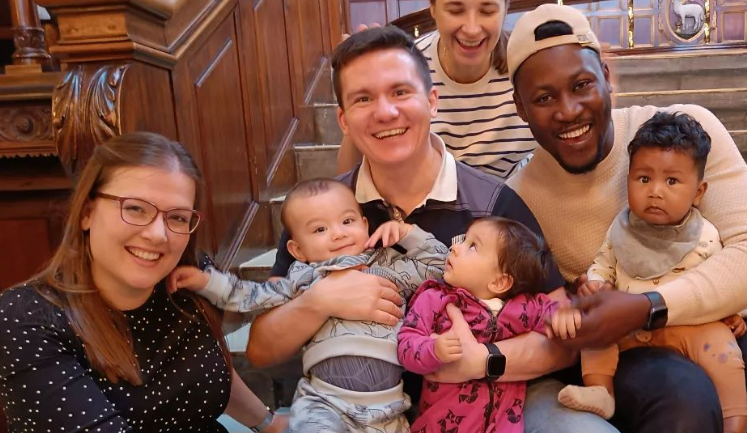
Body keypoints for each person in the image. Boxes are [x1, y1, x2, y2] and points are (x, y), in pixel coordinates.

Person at [506, 3, 747, 433]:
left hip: (732, 322)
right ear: (520, 108)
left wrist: (650, 306)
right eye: (544, 97)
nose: (569, 110)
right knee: (683, 405)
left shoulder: (684, 134)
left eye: (582, 84)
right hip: (631, 352)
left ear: (607, 77)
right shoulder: (518, 200)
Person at [247, 25, 598, 432]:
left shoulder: (491, 204)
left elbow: (562, 334)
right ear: (342, 119)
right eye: (363, 98)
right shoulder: (323, 214)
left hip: (490, 399)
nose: (385, 112)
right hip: (355, 409)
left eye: (400, 92)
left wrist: (484, 360)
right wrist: (318, 301)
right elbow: (259, 348)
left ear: (432, 101)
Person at [0, 132, 284, 433]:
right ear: (87, 212)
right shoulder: (24, 319)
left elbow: (205, 369)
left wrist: (269, 424)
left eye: (177, 218)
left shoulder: (188, 277)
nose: (157, 234)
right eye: (135, 208)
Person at [169, 178, 449, 432]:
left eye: (347, 221)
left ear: (365, 225)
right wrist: (206, 282)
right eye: (320, 229)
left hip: (388, 404)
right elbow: (249, 294)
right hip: (325, 401)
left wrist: (408, 234)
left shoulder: (390, 265)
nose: (338, 234)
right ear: (297, 251)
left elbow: (440, 269)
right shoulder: (301, 280)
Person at [549, 112, 747, 433]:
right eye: (643, 179)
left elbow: (720, 281)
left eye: (671, 181)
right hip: (630, 334)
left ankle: (735, 418)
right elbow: (604, 264)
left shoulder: (705, 235)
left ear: (698, 192)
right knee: (595, 332)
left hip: (692, 327)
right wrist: (595, 286)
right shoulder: (621, 228)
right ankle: (602, 391)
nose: (655, 191)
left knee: (725, 353)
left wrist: (730, 312)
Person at [338, 0, 536, 179]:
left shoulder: (529, 66)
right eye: (455, 10)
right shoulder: (407, 67)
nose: (471, 29)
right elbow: (349, 175)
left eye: (487, 11)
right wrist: (361, 93)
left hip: (505, 208)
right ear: (432, 4)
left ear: (507, 3)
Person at [398, 217, 560, 432]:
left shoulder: (523, 308)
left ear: (499, 282)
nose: (455, 247)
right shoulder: (435, 299)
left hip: (503, 426)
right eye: (463, 240)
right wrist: (433, 349)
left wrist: (565, 317)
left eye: (472, 246)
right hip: (440, 425)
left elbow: (556, 317)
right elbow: (406, 345)